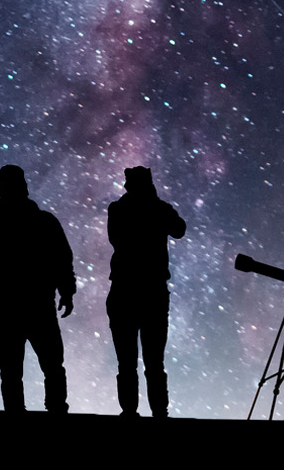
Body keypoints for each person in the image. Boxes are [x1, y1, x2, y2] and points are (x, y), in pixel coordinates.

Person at [0, 164, 77, 413]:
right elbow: (62, 258)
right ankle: (54, 411)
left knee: (18, 369)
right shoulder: (42, 221)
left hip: (14, 303)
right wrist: (67, 291)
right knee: (40, 366)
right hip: (34, 301)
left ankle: (27, 414)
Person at [105, 165, 186, 417]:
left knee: (130, 362)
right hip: (150, 292)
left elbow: (179, 230)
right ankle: (157, 412)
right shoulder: (156, 209)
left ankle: (132, 412)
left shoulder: (119, 209)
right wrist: (155, 206)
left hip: (126, 291)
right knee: (151, 362)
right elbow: (179, 229)